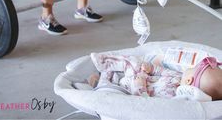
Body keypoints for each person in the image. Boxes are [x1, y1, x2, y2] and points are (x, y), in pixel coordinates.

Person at [89, 53, 222, 100]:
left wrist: (139, 85)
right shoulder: (178, 77)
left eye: (192, 69)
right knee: (135, 62)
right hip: (140, 74)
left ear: (189, 80)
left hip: (130, 89)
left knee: (112, 90)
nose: (188, 68)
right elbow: (162, 71)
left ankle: (104, 77)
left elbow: (146, 102)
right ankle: (106, 64)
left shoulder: (172, 97)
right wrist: (151, 68)